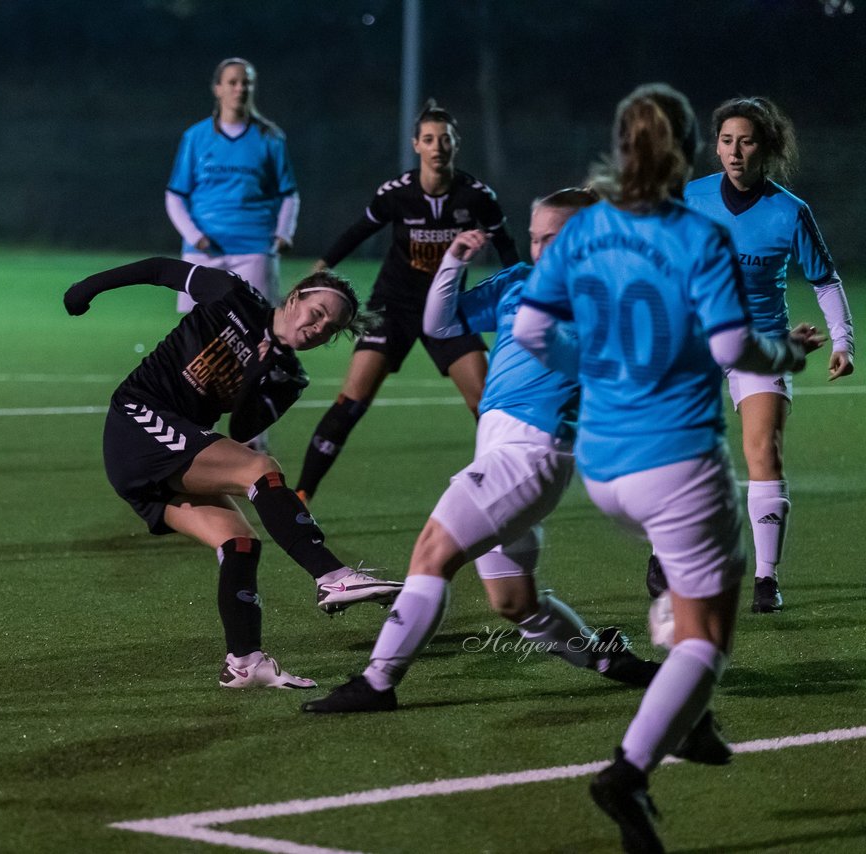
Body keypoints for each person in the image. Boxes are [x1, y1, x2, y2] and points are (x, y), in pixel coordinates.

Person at [512, 83, 821, 853]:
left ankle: (693, 714)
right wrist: (789, 352)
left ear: (621, 149)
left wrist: (602, 367)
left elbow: (529, 329)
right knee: (707, 637)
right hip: (674, 459)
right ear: (687, 151)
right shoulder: (696, 233)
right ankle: (629, 771)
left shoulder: (584, 232)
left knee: (683, 590)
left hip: (602, 466)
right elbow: (730, 350)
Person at [301, 188, 667, 716]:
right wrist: (452, 261)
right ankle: (606, 658)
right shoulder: (522, 282)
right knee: (514, 601)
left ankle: (378, 682)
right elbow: (442, 325)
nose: (540, 248)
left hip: (528, 455)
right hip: (507, 457)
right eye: (535, 237)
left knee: (432, 553)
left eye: (554, 238)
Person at [63, 257, 404, 689]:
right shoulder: (232, 295)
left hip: (167, 456)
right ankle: (331, 576)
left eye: (330, 330)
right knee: (260, 468)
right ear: (295, 297)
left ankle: (245, 662)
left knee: (239, 542)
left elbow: (242, 428)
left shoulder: (289, 378)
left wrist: (259, 371)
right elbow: (158, 270)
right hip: (139, 418)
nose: (319, 330)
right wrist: (88, 286)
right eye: (317, 314)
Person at [645, 96, 855, 614]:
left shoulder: (789, 211)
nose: (735, 151)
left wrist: (843, 340)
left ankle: (765, 579)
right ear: (715, 147)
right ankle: (663, 552)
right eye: (726, 140)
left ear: (766, 147)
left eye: (746, 140)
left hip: (760, 344)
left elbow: (825, 281)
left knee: (763, 452)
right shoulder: (690, 199)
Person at [294, 100, 519, 504]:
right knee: (352, 401)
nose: (437, 146)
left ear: (455, 145)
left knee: (488, 406)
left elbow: (506, 245)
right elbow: (359, 230)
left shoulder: (477, 196)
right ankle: (302, 494)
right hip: (393, 307)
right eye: (429, 139)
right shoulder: (396, 193)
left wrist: (524, 289)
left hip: (449, 312)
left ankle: (504, 489)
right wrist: (322, 266)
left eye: (445, 139)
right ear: (417, 145)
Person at [166, 58, 299, 312]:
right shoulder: (196, 136)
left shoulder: (270, 137)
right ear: (217, 88)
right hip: (204, 250)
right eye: (232, 82)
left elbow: (288, 194)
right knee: (197, 330)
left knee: (256, 328)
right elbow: (175, 195)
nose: (240, 88)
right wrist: (195, 236)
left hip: (255, 248)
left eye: (246, 82)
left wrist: (284, 232)